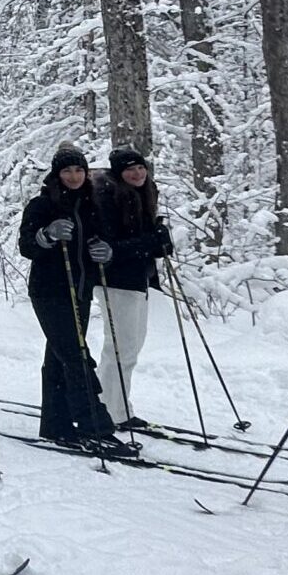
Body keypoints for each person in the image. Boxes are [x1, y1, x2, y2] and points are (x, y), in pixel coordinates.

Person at [15, 144, 136, 459]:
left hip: (80, 290)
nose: (73, 176)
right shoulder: (42, 205)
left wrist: (104, 253)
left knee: (60, 357)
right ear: (57, 174)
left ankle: (55, 424)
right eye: (67, 170)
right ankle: (94, 426)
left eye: (79, 170)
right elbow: (27, 245)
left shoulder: (91, 204)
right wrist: (47, 235)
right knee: (77, 356)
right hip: (50, 292)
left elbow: (101, 244)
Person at [89, 147, 175, 429]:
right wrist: (152, 241)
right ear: (119, 173)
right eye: (130, 170)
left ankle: (117, 407)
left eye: (140, 167)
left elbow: (147, 243)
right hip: (115, 282)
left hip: (138, 282)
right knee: (120, 350)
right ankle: (110, 411)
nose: (137, 173)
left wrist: (160, 239)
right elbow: (110, 247)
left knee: (130, 349)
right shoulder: (109, 197)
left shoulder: (143, 193)